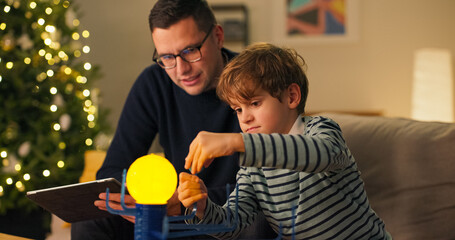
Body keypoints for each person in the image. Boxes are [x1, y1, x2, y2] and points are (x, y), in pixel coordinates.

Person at [71, 0, 276, 239]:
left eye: (190, 51)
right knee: (92, 218)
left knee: (260, 220)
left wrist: (193, 202)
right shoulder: (154, 83)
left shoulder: (255, 81)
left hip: (231, 217)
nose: (180, 70)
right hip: (172, 217)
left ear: (218, 37)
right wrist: (148, 200)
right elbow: (112, 170)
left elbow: (276, 184)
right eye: (167, 56)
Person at [178, 42, 391, 239]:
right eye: (237, 109)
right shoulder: (253, 168)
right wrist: (202, 207)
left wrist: (236, 142)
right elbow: (233, 223)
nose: (245, 117)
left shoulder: (321, 130)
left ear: (291, 96)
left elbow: (321, 154)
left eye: (254, 103)